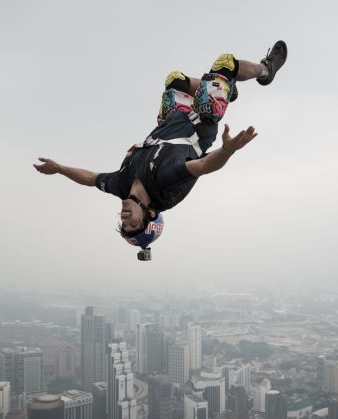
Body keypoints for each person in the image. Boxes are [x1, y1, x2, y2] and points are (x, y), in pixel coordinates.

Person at [34, 41, 288, 260]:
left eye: (123, 223)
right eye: (132, 223)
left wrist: (59, 169)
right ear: (150, 214)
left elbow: (90, 179)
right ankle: (265, 70)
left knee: (174, 79)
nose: (125, 218)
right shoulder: (164, 185)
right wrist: (228, 150)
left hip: (171, 120)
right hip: (202, 119)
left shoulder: (120, 185)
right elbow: (202, 166)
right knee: (225, 63)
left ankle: (226, 88)